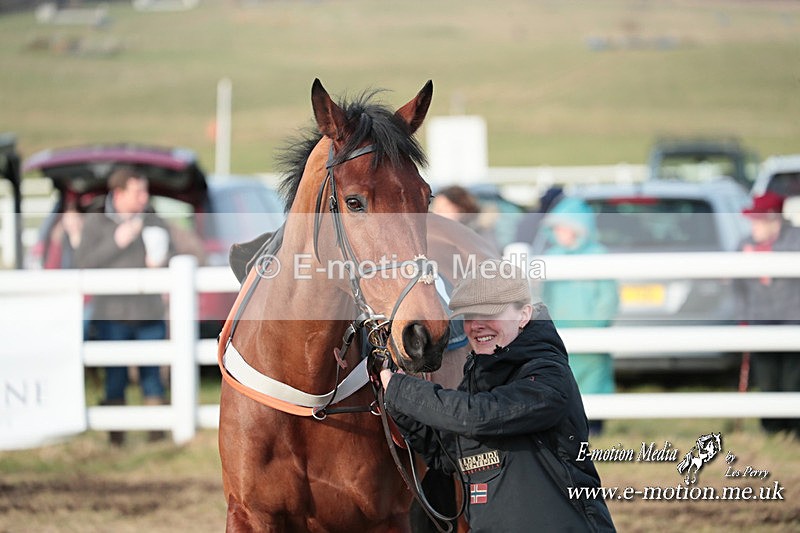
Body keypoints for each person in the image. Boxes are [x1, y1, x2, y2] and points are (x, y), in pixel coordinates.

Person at [380, 259, 616, 532]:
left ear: (524, 315)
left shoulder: (548, 375)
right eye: (470, 316)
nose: (476, 325)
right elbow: (447, 455)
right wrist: (398, 405)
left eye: (489, 313)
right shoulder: (477, 380)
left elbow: (480, 416)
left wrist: (403, 391)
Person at [75, 166, 173, 445]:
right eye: (138, 191)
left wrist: (162, 261)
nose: (144, 197)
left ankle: (157, 438)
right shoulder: (96, 222)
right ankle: (116, 440)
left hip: (149, 314)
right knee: (114, 378)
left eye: (145, 191)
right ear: (119, 194)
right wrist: (117, 242)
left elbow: (173, 253)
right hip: (112, 316)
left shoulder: (153, 219)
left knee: (152, 377)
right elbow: (83, 263)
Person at [538, 196, 619, 435]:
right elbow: (544, 294)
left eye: (565, 227)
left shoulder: (598, 254)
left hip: (592, 327)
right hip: (561, 326)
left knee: (594, 374)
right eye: (557, 228)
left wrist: (599, 322)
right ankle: (566, 423)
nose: (561, 233)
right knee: (564, 374)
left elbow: (608, 295)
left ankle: (595, 424)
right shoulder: (551, 257)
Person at [735, 191, 800, 436]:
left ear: (774, 220)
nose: (753, 226)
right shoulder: (744, 245)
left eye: (758, 221)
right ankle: (771, 429)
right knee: (767, 377)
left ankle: (795, 429)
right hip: (761, 320)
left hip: (793, 321)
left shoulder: (795, 240)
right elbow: (737, 288)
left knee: (793, 378)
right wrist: (743, 317)